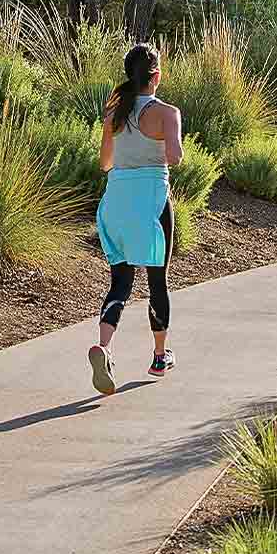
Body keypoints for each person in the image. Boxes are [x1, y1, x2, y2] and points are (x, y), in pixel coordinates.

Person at [87, 42, 181, 395]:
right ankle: (159, 356)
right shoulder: (167, 113)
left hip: (114, 203)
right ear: (156, 76)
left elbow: (105, 164)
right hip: (150, 202)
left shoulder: (115, 113)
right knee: (157, 281)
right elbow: (175, 157)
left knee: (120, 283)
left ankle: (104, 347)